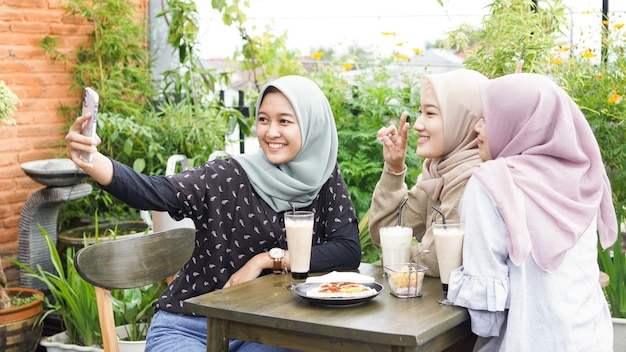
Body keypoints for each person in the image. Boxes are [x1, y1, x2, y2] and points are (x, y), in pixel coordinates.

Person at [65, 75, 361, 352]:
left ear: (312, 126)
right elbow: (153, 191)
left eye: (285, 121)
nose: (271, 132)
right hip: (190, 326)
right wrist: (92, 162)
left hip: (264, 331)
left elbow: (347, 250)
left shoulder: (323, 179)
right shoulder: (228, 176)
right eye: (263, 119)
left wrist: (266, 260)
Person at [448, 73, 618, 351]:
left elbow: (485, 316)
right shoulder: (587, 177)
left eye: (489, 118)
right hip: (592, 339)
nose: (477, 128)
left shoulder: (492, 182)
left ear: (520, 123)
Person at [369, 68, 488, 277]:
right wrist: (394, 169)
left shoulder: (471, 178)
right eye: (420, 112)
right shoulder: (438, 172)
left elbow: (434, 259)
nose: (417, 125)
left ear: (463, 119)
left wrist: (392, 257)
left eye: (430, 113)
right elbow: (384, 232)